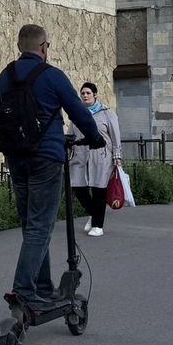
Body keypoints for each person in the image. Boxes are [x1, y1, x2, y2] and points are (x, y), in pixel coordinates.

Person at [0, 24, 102, 310]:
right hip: (46, 158)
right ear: (43, 47)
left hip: (16, 158)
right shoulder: (52, 75)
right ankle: (24, 291)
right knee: (41, 226)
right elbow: (78, 112)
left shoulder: (5, 76)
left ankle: (42, 287)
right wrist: (95, 138)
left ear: (20, 47)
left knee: (31, 225)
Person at [69, 82, 123, 237]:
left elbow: (115, 136)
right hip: (80, 156)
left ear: (95, 95)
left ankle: (98, 225)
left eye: (88, 93)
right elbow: (71, 134)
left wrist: (117, 156)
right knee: (78, 187)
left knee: (99, 189)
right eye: (83, 93)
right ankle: (94, 214)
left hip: (101, 156)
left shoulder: (107, 113)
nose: (85, 95)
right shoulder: (77, 114)